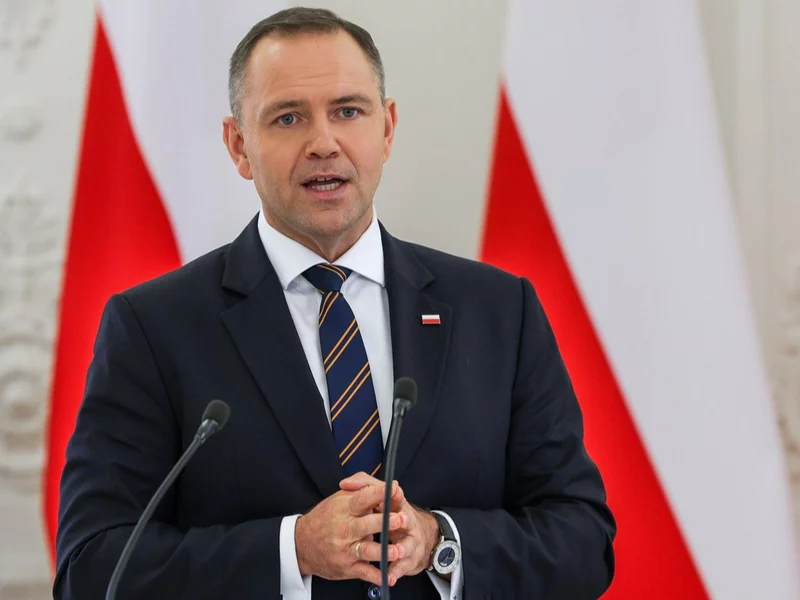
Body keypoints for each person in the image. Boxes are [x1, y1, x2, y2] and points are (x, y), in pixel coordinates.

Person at [54, 7, 615, 599]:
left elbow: (582, 540)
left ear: (387, 128)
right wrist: (293, 549)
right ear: (239, 145)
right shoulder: (154, 328)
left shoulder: (500, 311)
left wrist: (438, 542)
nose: (324, 144)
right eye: (288, 118)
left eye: (348, 111)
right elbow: (92, 568)